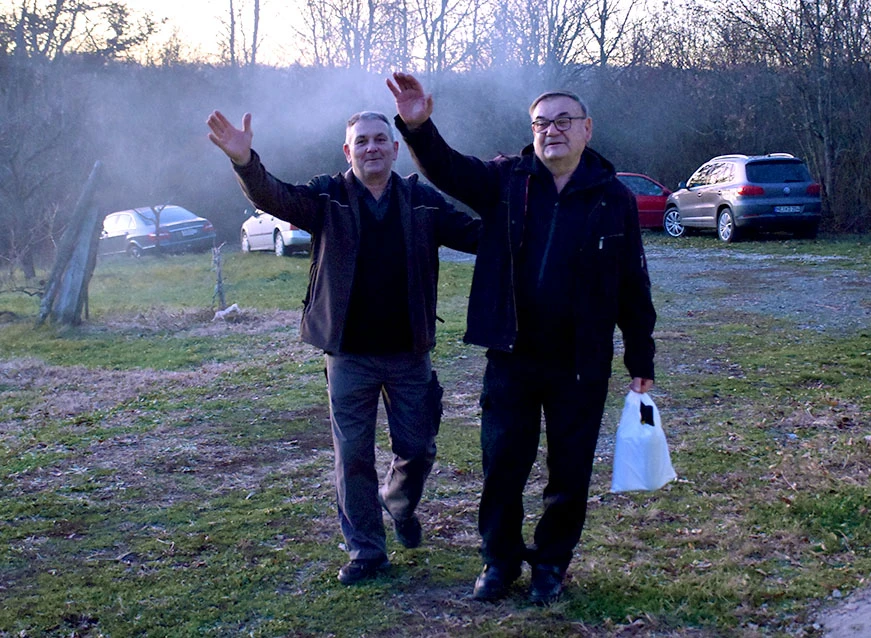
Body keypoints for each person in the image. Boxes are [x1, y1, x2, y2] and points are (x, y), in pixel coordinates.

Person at [387, 73, 656, 604]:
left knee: (569, 469)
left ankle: (551, 564)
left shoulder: (614, 199)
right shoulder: (506, 181)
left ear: (586, 129)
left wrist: (640, 356)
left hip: (581, 363)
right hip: (511, 357)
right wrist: (418, 128)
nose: (551, 130)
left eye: (562, 121)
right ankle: (499, 562)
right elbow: (449, 170)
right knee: (502, 466)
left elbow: (633, 284)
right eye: (541, 123)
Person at [206, 109, 480, 585]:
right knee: (352, 454)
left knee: (419, 447)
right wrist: (245, 161)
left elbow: (477, 235)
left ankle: (398, 500)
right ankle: (367, 551)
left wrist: (525, 221)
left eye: (381, 139)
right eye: (362, 141)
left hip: (409, 354)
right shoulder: (327, 197)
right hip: (348, 354)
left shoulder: (420, 200)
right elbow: (275, 195)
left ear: (395, 149)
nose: (372, 147)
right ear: (348, 151)